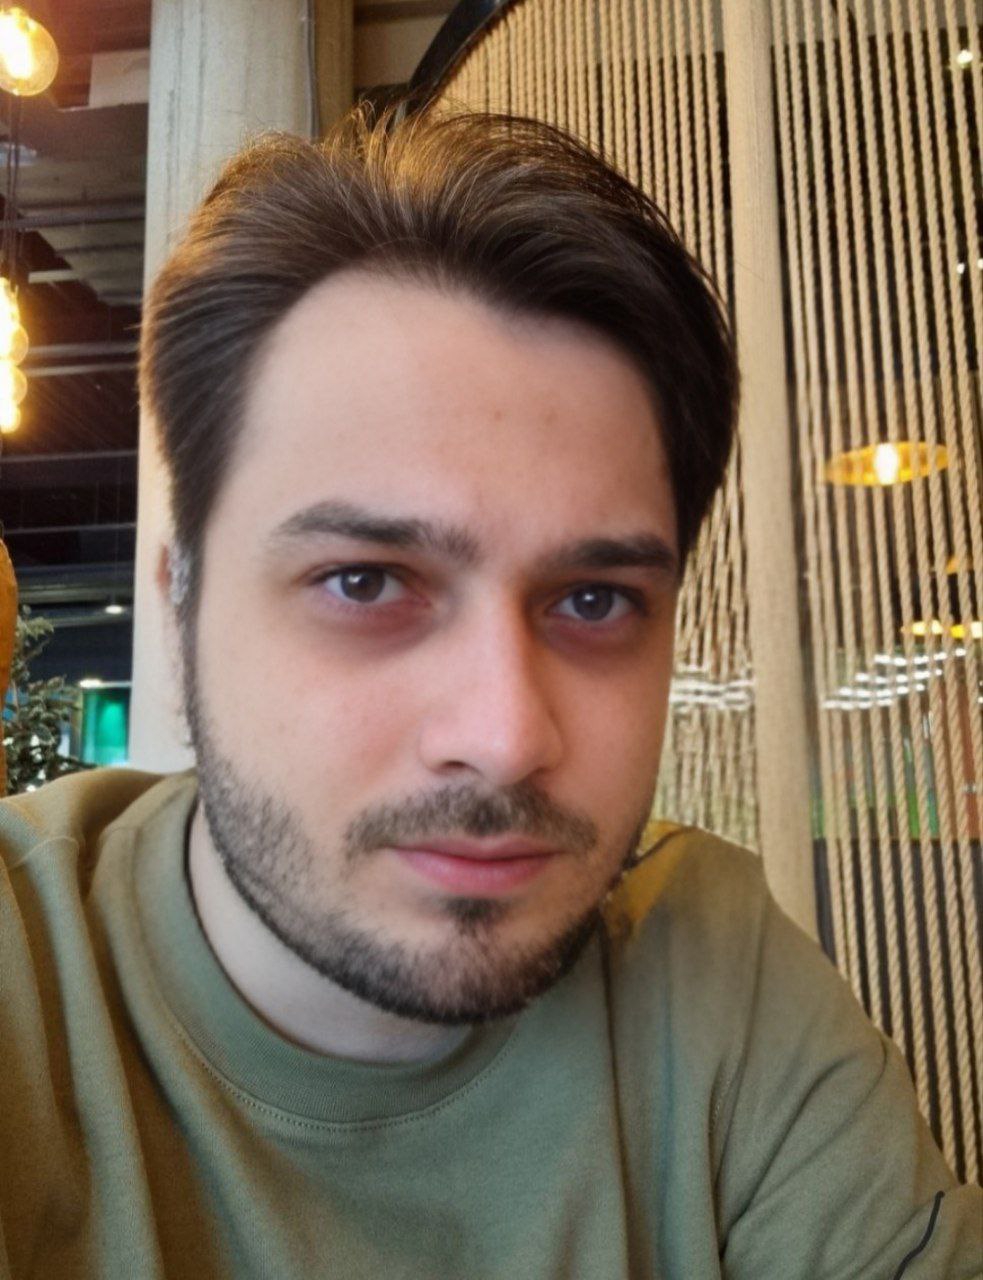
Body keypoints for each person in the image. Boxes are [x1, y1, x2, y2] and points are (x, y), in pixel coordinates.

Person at [1, 98, 980, 1280]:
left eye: (593, 599)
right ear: (178, 601)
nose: (507, 734)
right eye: (365, 580)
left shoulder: (709, 972)